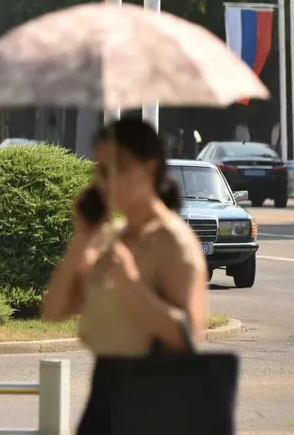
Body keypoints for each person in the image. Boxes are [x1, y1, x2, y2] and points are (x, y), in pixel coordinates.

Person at [42, 118, 208, 434]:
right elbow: (55, 310)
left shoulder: (175, 242)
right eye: (99, 171)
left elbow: (187, 335)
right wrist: (81, 238)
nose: (103, 182)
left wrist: (130, 282)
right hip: (105, 391)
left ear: (148, 167)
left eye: (114, 169)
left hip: (153, 400)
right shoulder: (111, 237)